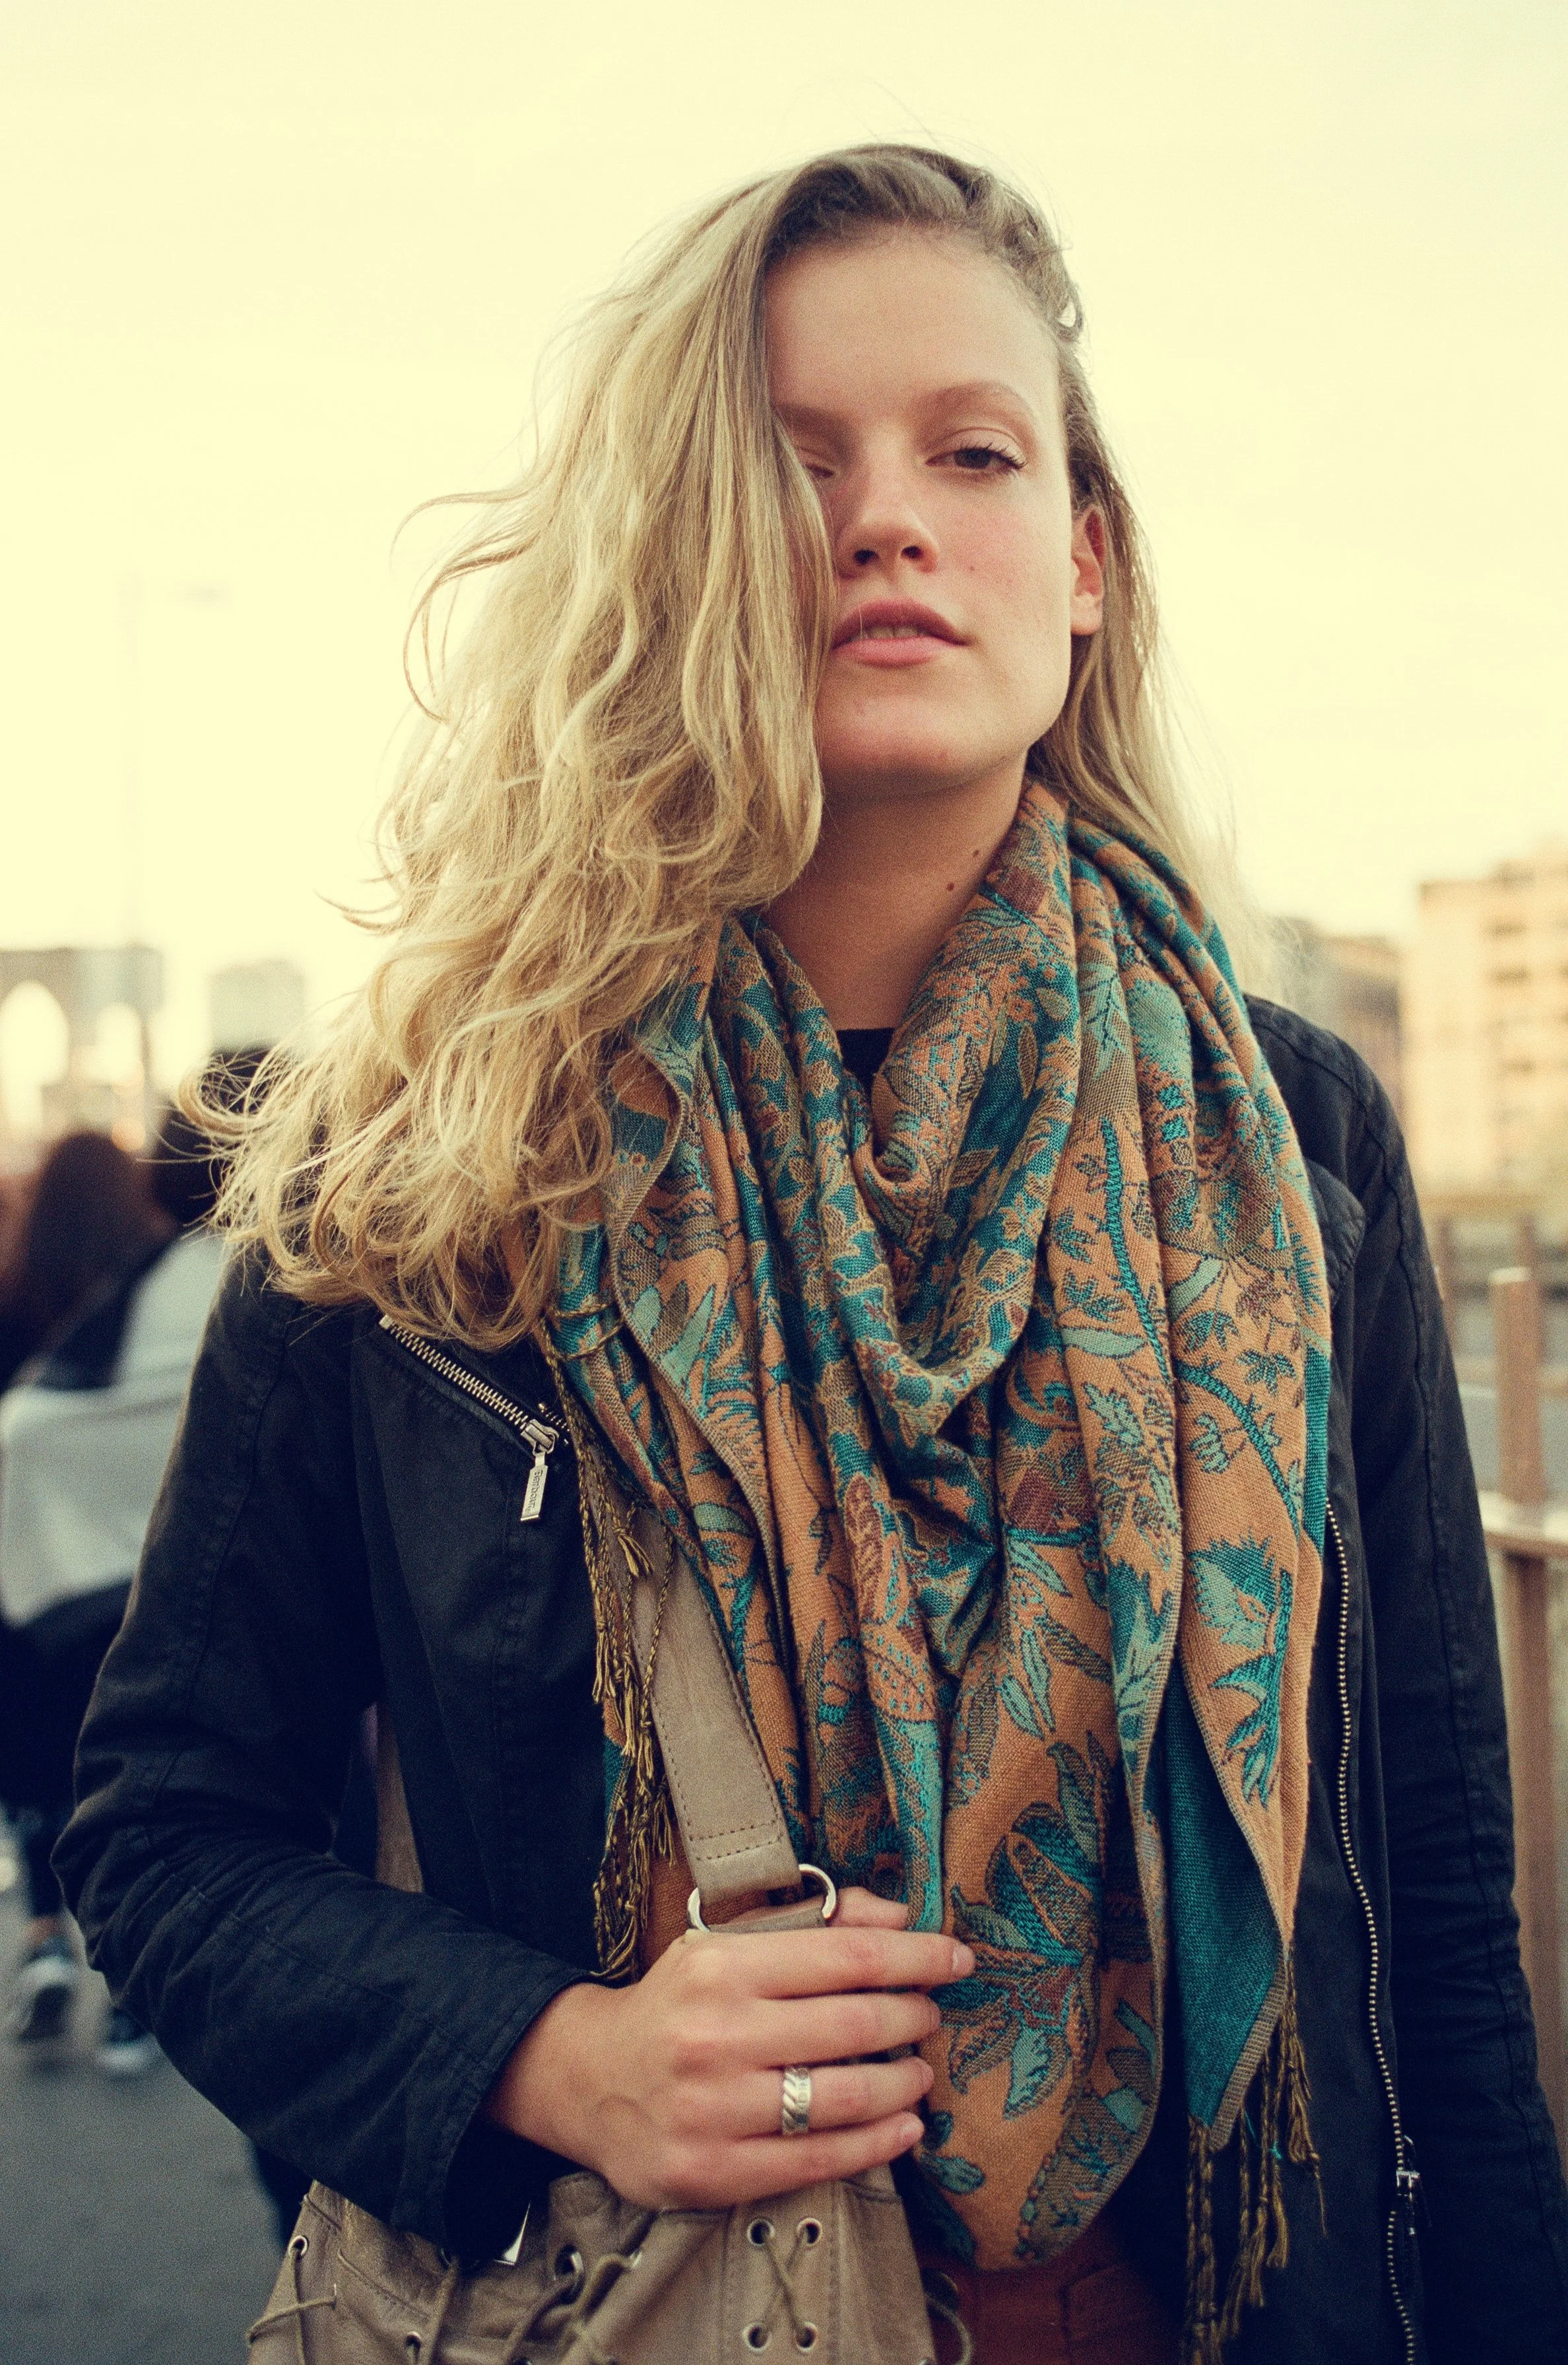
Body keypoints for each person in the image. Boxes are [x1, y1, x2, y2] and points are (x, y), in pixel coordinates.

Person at [57, 147, 1567, 2362]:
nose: (881, 516)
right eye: (788, 461)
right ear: (672, 555)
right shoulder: (431, 1163)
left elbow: (1431, 1898)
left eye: (969, 449)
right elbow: (167, 1828)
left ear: (1079, 561)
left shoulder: (1286, 1140)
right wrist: (548, 2055)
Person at [1, 1124, 223, 2071]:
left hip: (41, 1560)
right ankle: (134, 1994)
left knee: (47, 1763)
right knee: (137, 1778)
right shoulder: (162, 1278)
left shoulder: (22, 1283)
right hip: (145, 1565)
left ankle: (47, 1938)